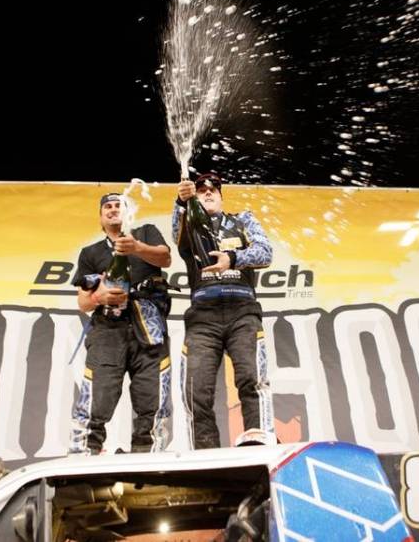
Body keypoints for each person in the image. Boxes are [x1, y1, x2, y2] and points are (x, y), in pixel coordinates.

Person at [173, 172, 276, 449]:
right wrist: (181, 202)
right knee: (195, 390)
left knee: (251, 380)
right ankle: (205, 453)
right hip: (202, 318)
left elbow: (266, 252)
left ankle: (259, 442)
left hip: (242, 310)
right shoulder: (189, 224)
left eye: (213, 189)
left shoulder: (243, 220)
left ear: (220, 195)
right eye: (201, 190)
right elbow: (176, 232)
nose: (207, 192)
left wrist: (232, 258)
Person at [69, 192, 173, 454]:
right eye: (108, 207)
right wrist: (99, 296)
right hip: (107, 331)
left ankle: (150, 461)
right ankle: (83, 459)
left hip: (149, 330)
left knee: (152, 402)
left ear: (128, 213)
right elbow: (83, 303)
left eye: (119, 205)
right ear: (101, 217)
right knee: (97, 400)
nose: (113, 209)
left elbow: (165, 258)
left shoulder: (146, 232)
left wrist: (135, 247)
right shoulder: (91, 252)